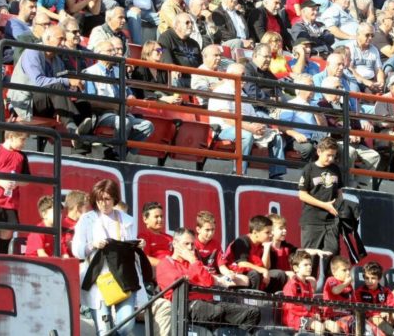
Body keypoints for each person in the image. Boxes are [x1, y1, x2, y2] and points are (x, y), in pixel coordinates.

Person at [71, 179, 143, 336]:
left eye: (107, 199)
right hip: (99, 280)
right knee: (104, 331)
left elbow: (131, 249)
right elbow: (77, 250)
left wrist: (138, 244)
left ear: (115, 198)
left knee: (127, 325)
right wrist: (92, 245)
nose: (103, 203)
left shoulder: (127, 220)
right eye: (99, 200)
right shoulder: (87, 219)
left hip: (124, 277)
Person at [155, 228, 259, 333]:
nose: (190, 248)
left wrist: (193, 264)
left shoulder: (195, 263)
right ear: (175, 244)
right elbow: (180, 283)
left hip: (209, 302)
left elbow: (208, 282)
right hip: (185, 305)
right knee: (215, 311)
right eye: (186, 244)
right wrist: (195, 266)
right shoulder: (165, 263)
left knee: (252, 313)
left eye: (192, 244)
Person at [82, 38, 155, 161]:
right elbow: (91, 101)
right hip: (103, 115)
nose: (113, 53)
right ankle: (118, 155)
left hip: (124, 113)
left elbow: (128, 92)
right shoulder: (90, 72)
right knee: (123, 122)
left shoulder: (119, 70)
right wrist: (115, 106)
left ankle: (118, 153)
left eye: (114, 51)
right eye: (109, 51)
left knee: (148, 126)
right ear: (99, 54)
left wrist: (131, 98)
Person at [298, 136, 345, 263]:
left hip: (331, 221)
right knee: (310, 259)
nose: (331, 159)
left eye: (333, 156)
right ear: (319, 152)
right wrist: (324, 205)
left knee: (332, 256)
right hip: (312, 220)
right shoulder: (309, 169)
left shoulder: (335, 169)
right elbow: (302, 195)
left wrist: (340, 206)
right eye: (328, 155)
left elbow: (339, 192)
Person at [224, 214, 287, 293]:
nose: (271, 235)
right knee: (255, 274)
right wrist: (262, 270)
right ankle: (253, 300)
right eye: (267, 232)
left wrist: (266, 249)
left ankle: (271, 299)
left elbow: (266, 267)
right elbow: (242, 264)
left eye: (271, 232)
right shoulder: (243, 241)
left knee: (280, 274)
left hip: (257, 271)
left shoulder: (263, 243)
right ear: (255, 233)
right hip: (237, 272)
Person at [282, 249, 338, 333]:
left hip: (308, 317)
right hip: (294, 319)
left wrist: (316, 313)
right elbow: (291, 307)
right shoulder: (292, 285)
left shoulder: (308, 284)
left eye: (310, 264)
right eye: (305, 265)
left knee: (334, 326)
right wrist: (310, 314)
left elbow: (311, 304)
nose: (309, 267)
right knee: (319, 327)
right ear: (296, 268)